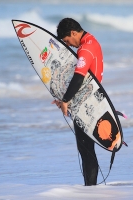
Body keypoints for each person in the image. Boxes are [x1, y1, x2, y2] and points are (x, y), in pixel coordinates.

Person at [51, 18, 104, 186]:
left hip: (86, 105)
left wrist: (66, 99)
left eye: (67, 40)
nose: (70, 45)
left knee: (87, 151)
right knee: (86, 150)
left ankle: (90, 190)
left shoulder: (86, 48)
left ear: (74, 33)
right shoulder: (90, 41)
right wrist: (66, 98)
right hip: (87, 101)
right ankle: (90, 188)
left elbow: (79, 76)